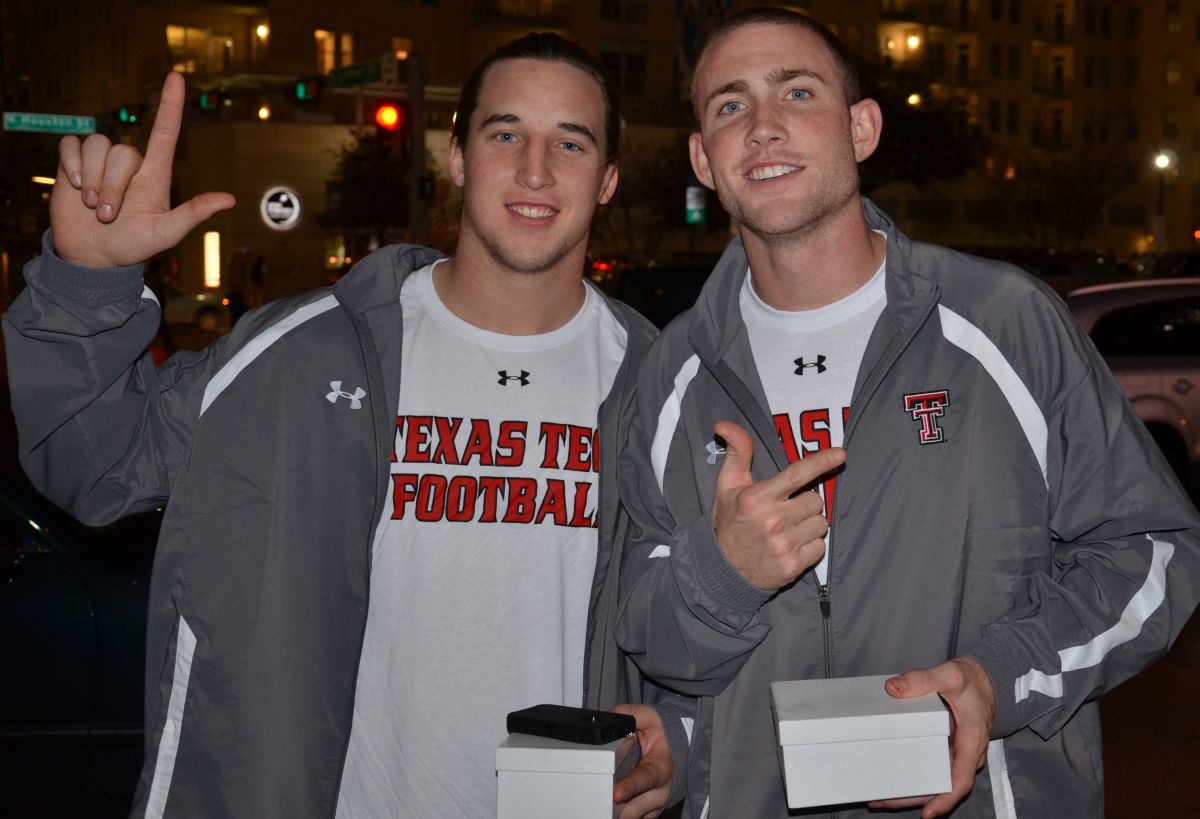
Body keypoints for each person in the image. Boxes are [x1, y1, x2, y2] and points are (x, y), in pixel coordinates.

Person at [4, 34, 678, 819]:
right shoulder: (300, 355)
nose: (536, 169)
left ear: (608, 179)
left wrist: (686, 747)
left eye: (571, 142)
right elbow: (94, 461)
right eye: (506, 134)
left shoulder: (665, 390)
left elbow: (728, 625)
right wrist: (88, 285)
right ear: (456, 156)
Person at [614, 7, 1200, 819]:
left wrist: (998, 678)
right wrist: (723, 580)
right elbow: (649, 635)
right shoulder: (670, 372)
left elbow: (1153, 551)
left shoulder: (1003, 322)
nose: (763, 127)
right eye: (730, 105)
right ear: (702, 160)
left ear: (861, 128)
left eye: (797, 92)